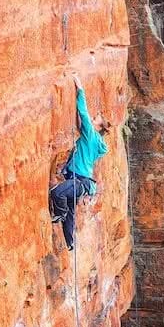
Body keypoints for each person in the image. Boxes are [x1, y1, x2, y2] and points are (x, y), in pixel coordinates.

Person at [50, 75, 109, 250]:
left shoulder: (91, 135)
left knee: (57, 193)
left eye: (96, 119)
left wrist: (80, 89)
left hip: (80, 182)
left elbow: (83, 113)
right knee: (71, 212)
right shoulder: (94, 142)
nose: (93, 119)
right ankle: (70, 243)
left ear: (98, 127)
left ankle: (59, 214)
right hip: (81, 182)